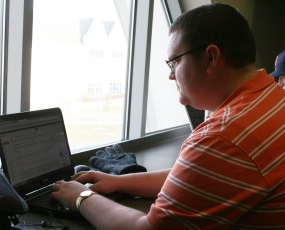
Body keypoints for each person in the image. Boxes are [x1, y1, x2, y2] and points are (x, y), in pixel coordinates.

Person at [51, 3, 285, 229]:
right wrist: (117, 181)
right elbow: (193, 180)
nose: (171, 76)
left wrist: (80, 197)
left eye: (175, 62)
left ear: (211, 58)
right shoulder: (270, 97)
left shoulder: (223, 137)